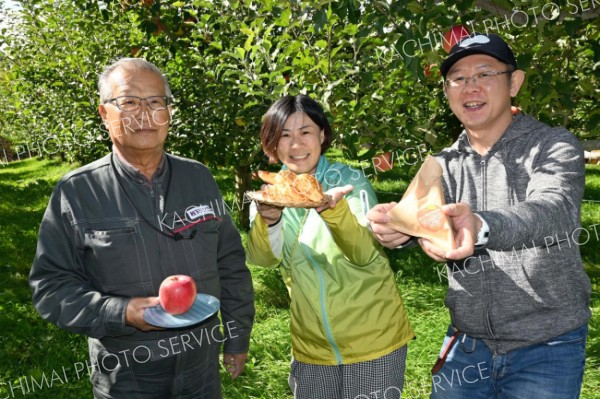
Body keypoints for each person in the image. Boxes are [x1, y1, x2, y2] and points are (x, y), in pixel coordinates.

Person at [367, 33, 591, 398]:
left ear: (514, 83)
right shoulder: (442, 164)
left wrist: (482, 225)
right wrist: (401, 229)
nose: (471, 87)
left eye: (485, 74)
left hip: (547, 346)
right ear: (446, 91)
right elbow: (430, 222)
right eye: (458, 78)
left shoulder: (554, 145)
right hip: (467, 345)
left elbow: (554, 210)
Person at [29, 58, 255, 399]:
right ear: (105, 114)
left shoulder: (199, 178)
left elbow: (231, 265)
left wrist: (237, 337)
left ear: (168, 114)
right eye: (130, 102)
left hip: (200, 370)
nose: (146, 114)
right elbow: (50, 287)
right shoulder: (77, 192)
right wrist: (121, 312)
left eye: (156, 102)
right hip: (127, 377)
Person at [246, 95, 414, 399]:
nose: (295, 144)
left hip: (371, 339)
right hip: (312, 346)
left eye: (305, 132)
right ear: (272, 143)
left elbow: (364, 253)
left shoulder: (349, 182)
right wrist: (267, 220)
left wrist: (331, 210)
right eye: (284, 135)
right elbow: (262, 259)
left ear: (322, 135)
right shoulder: (272, 192)